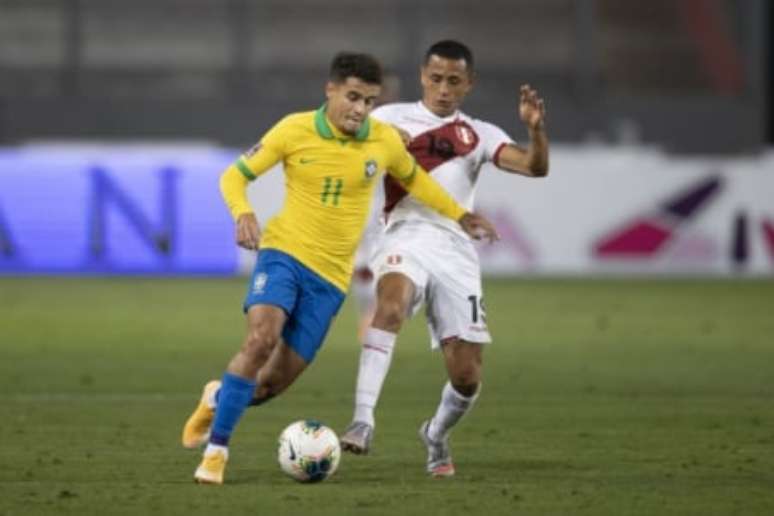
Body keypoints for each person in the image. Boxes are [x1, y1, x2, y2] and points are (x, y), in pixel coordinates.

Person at [180, 51, 499, 485]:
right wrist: (243, 213)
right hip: (283, 254)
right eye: (352, 97)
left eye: (369, 101)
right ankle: (216, 454)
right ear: (330, 90)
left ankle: (218, 397)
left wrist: (460, 215)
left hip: (330, 281)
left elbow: (416, 180)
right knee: (260, 339)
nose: (360, 110)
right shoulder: (293, 129)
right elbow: (234, 176)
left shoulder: (382, 140)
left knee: (270, 384)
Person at [339, 40, 550, 477]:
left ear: (468, 84)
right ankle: (362, 420)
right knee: (390, 305)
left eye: (454, 81)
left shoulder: (480, 134)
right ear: (422, 76)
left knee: (467, 376)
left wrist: (535, 129)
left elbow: (534, 167)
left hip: (455, 250)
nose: (443, 89)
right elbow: (346, 147)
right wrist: (372, 143)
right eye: (435, 79)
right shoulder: (387, 118)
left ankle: (435, 434)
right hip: (404, 235)